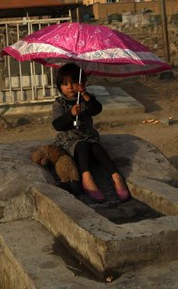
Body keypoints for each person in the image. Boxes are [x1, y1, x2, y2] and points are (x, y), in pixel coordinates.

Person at [52, 63, 130, 202]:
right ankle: (86, 178)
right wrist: (70, 114)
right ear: (60, 87)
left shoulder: (85, 98)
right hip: (70, 142)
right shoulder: (60, 103)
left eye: (74, 83)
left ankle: (116, 177)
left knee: (96, 147)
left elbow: (96, 109)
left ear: (82, 83)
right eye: (65, 84)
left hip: (88, 136)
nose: (70, 87)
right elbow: (57, 125)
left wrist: (84, 93)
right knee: (82, 146)